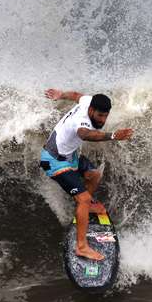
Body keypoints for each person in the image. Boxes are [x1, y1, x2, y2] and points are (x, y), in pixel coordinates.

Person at [40, 89, 133, 261]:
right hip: (54, 160)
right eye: (99, 116)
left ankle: (87, 206)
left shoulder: (88, 101)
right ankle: (81, 247)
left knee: (94, 175)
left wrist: (61, 95)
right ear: (91, 110)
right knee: (83, 199)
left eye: (105, 116)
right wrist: (113, 135)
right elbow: (86, 134)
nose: (102, 120)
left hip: (68, 155)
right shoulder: (81, 121)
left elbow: (76, 95)